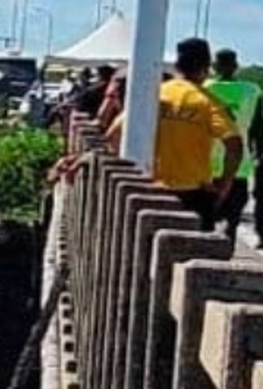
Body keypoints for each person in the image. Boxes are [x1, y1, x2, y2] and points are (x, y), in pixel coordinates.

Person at [104, 39, 241, 231]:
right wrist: (223, 187)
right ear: (207, 67)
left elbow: (113, 135)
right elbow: (234, 145)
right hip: (193, 193)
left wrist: (132, 170)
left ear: (177, 66)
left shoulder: (154, 94)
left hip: (148, 189)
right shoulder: (208, 102)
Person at [205, 49, 261, 243]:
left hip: (209, 160)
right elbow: (256, 126)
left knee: (208, 210)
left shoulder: (206, 88)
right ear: (236, 67)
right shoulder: (251, 91)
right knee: (235, 209)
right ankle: (231, 231)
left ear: (214, 66)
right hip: (240, 161)